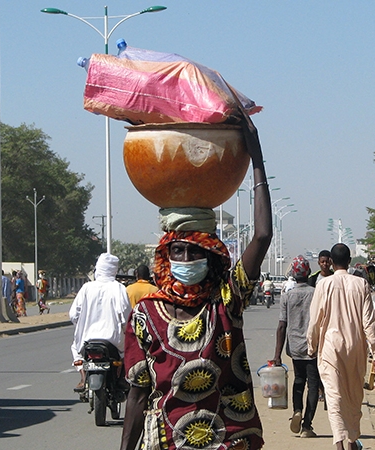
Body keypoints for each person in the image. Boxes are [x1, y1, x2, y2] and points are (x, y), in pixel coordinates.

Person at [120, 111, 271, 450]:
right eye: (178, 252)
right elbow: (138, 394)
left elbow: (261, 235)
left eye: (194, 253)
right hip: (167, 442)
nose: (186, 261)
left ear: (211, 257)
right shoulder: (146, 314)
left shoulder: (225, 302)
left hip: (228, 441)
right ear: (165, 257)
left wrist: (255, 155)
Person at [307, 243, 375, 450]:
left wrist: (311, 346)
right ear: (349, 261)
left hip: (331, 347)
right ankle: (350, 441)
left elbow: (315, 321)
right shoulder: (361, 285)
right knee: (353, 395)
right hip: (356, 347)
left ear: (331, 262)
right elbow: (370, 322)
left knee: (334, 395)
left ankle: (341, 442)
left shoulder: (324, 285)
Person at [69, 253, 132, 391]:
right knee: (128, 350)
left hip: (87, 338)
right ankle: (121, 378)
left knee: (76, 349)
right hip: (114, 339)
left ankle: (83, 375)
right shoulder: (119, 288)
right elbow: (126, 315)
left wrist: (81, 325)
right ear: (114, 270)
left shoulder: (86, 288)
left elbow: (73, 314)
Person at [272, 255, 319, 438]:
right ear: (307, 272)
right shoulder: (315, 293)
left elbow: (282, 326)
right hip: (313, 346)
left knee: (298, 380)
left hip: (295, 347)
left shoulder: (287, 296)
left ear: (293, 273)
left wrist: (277, 355)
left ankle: (296, 411)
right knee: (313, 385)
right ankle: (307, 426)